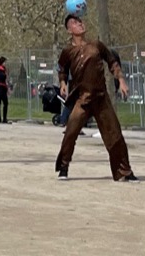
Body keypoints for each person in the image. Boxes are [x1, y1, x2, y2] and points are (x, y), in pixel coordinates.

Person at [55, 14, 134, 181]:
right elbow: (62, 69)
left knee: (115, 135)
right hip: (82, 99)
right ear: (69, 30)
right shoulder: (67, 51)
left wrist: (120, 80)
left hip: (101, 98)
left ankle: (124, 171)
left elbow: (112, 62)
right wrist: (62, 83)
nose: (80, 24)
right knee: (70, 132)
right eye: (75, 23)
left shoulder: (96, 45)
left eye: (80, 21)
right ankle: (63, 166)